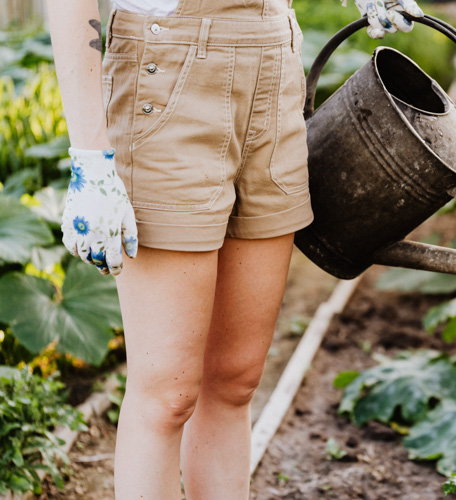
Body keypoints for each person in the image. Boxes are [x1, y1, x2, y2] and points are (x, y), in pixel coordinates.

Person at [45, 0, 423, 497]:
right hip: (167, 75)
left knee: (235, 380)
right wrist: (91, 159)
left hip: (273, 63)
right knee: (168, 396)